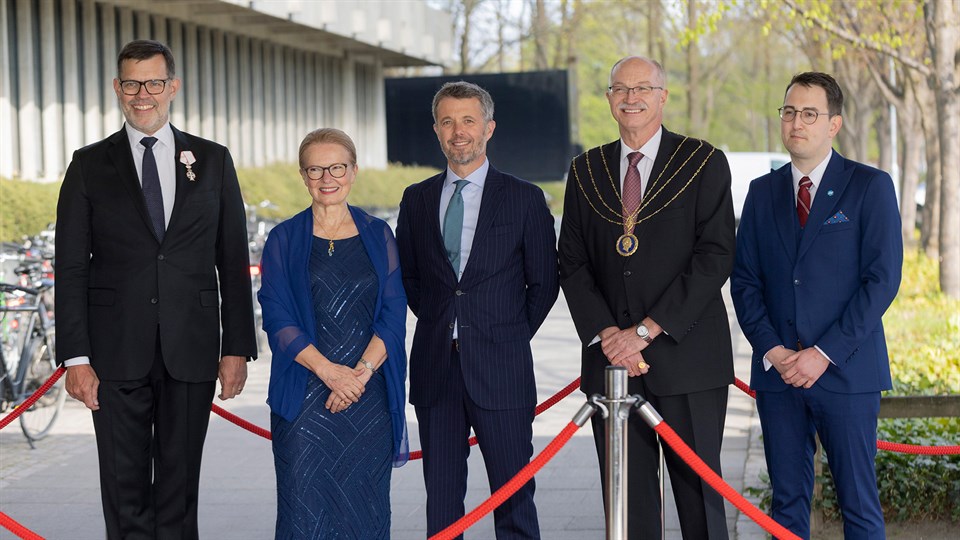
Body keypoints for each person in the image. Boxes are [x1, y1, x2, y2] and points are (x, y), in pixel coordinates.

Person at [55, 39, 257, 539]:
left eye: (153, 83)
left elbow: (232, 260)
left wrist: (237, 348)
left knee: (179, 487)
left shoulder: (212, 160)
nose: (142, 94)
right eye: (131, 83)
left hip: (190, 348)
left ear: (173, 86)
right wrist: (75, 358)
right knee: (124, 494)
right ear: (117, 88)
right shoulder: (88, 164)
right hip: (113, 351)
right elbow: (71, 266)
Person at [558, 56, 735, 539]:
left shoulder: (702, 161)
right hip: (611, 369)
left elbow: (714, 257)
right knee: (628, 510)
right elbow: (571, 262)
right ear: (610, 98)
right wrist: (610, 336)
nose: (630, 97)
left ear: (663, 96)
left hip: (688, 360)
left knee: (701, 505)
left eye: (642, 88)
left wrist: (644, 332)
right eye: (620, 88)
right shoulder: (586, 169)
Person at [731, 72, 902, 539]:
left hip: (845, 372)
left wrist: (822, 353)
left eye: (809, 114)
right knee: (785, 506)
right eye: (789, 112)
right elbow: (744, 282)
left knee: (858, 504)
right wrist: (774, 351)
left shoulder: (870, 187)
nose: (796, 123)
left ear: (834, 125)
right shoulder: (761, 194)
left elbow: (882, 281)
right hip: (779, 376)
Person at [396, 81, 559, 539]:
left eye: (468, 120)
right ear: (436, 130)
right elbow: (410, 277)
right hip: (436, 370)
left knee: (513, 499)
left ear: (488, 127)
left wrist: (503, 333)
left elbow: (544, 282)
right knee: (443, 502)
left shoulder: (524, 198)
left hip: (502, 369)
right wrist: (440, 323)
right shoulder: (417, 198)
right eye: (447, 121)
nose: (458, 131)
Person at [257, 128, 409, 539]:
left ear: (353, 171)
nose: (327, 177)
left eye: (337, 167)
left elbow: (394, 316)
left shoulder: (379, 234)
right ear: (303, 176)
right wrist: (330, 373)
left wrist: (356, 377)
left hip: (367, 396)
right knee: (304, 513)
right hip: (305, 398)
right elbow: (276, 315)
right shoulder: (283, 239)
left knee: (366, 510)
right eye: (316, 169)